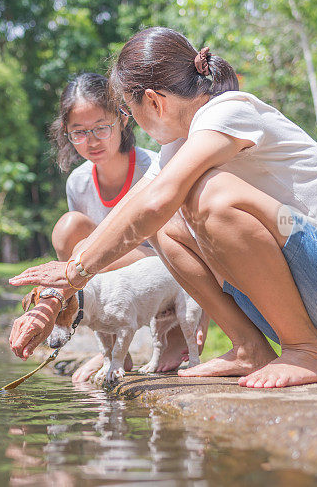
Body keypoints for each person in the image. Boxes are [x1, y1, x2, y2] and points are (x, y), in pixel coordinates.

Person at [10, 27, 317, 388]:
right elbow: (135, 212)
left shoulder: (230, 110)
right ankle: (250, 348)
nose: (136, 125)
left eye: (128, 113)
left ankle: (307, 352)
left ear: (153, 101)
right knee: (162, 225)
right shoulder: (178, 145)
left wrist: (76, 271)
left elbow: (159, 200)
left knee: (212, 195)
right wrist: (52, 300)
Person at [46, 72, 207, 381]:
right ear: (65, 133)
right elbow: (81, 261)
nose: (91, 140)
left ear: (123, 118)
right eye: (78, 132)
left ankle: (174, 338)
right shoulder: (78, 183)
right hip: (107, 280)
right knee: (69, 229)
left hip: (162, 269)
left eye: (101, 128)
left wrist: (201, 314)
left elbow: (190, 242)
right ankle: (112, 351)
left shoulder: (154, 166)